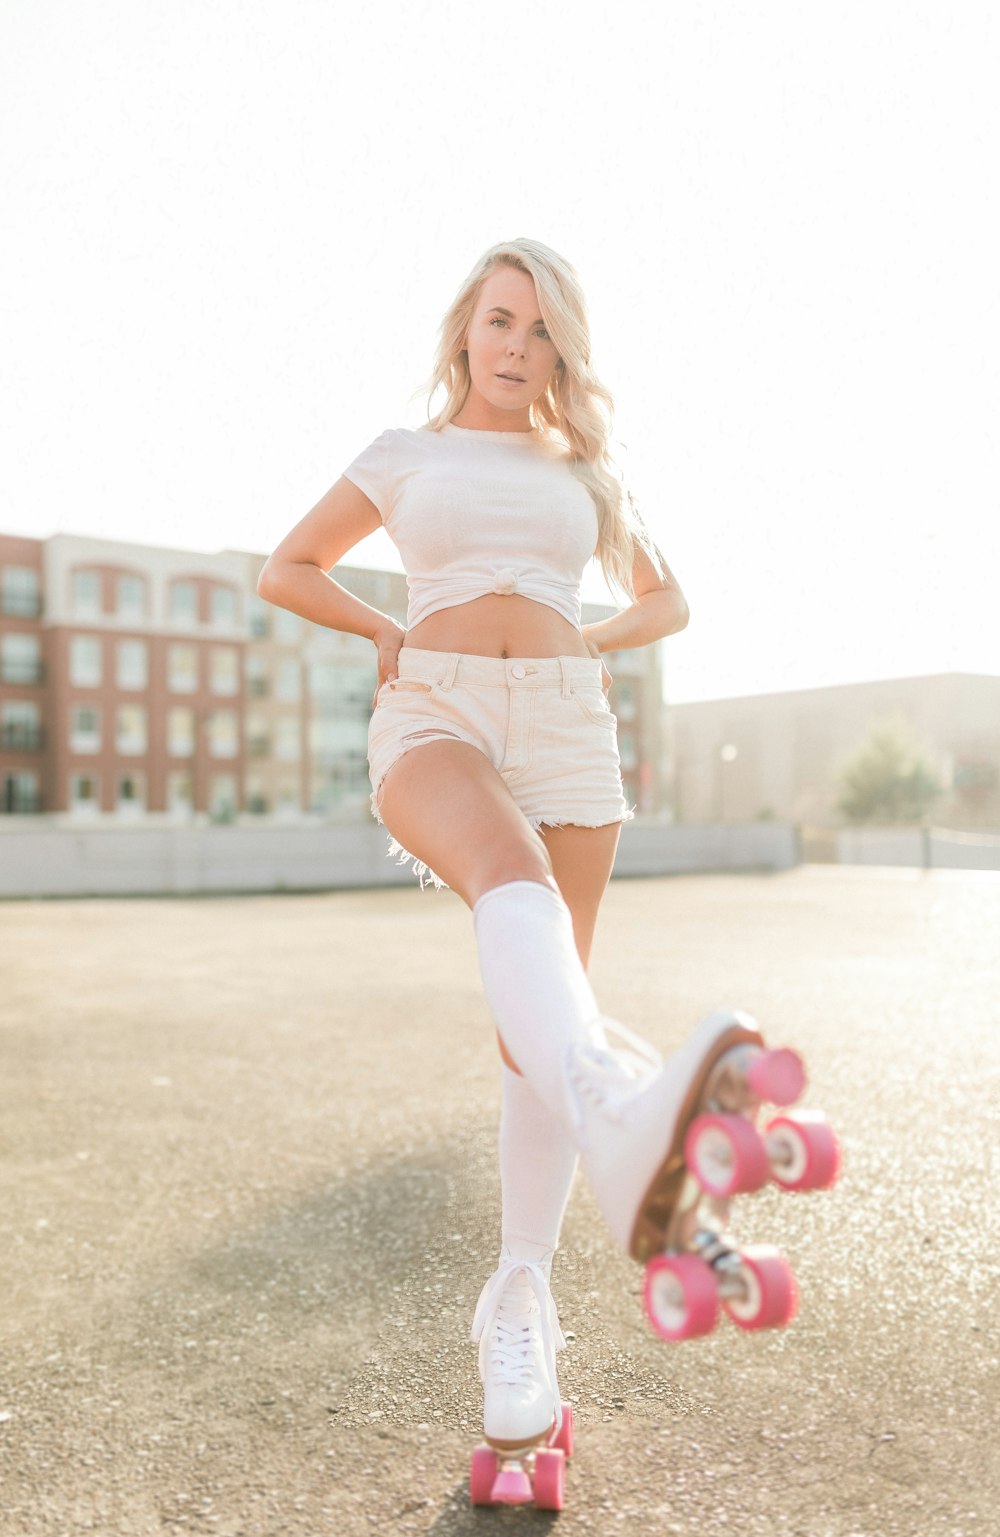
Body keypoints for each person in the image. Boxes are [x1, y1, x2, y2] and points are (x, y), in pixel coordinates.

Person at [257, 238, 766, 1466]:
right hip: (434, 707)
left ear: (560, 349)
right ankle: (622, 1120)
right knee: (512, 883)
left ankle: (518, 1303)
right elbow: (288, 566)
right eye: (498, 321)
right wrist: (387, 628)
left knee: (534, 1020)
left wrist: (586, 640)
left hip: (565, 724)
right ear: (463, 329)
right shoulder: (404, 454)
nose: (515, 347)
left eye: (539, 332)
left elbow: (669, 599)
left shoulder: (585, 467)